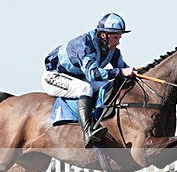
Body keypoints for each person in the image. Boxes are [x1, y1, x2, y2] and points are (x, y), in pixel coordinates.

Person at [41, 13, 137, 148]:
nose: (118, 42)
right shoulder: (85, 45)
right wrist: (121, 72)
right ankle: (88, 132)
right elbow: (93, 74)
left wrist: (137, 72)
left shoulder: (113, 51)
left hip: (78, 77)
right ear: (104, 35)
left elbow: (123, 69)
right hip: (53, 77)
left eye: (119, 37)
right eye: (115, 37)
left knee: (110, 85)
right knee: (84, 89)